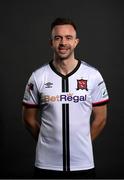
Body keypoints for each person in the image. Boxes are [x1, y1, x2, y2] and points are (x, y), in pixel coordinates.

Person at [22, 17, 109, 179]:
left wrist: (80, 144)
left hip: (83, 163)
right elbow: (28, 119)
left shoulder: (93, 76)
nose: (63, 42)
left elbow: (101, 119)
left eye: (68, 38)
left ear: (76, 42)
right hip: (46, 164)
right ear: (51, 43)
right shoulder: (38, 76)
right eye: (58, 38)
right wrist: (48, 141)